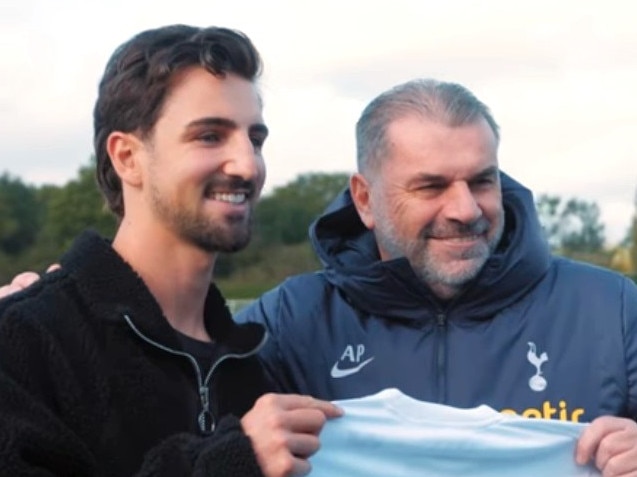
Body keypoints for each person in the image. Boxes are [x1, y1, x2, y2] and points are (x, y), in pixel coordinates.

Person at [234, 79, 637, 474]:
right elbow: (186, 446)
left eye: (482, 181)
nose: (465, 209)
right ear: (364, 199)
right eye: (431, 187)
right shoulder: (286, 324)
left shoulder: (613, 310)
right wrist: (237, 452)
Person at [0, 24, 340, 477]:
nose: (248, 165)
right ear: (126, 158)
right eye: (209, 136)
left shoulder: (253, 371)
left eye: (255, 139)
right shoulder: (26, 342)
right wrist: (228, 462)